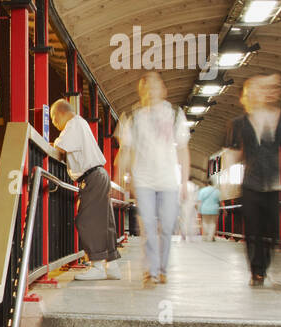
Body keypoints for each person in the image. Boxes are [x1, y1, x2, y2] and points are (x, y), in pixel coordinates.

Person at [115, 73, 191, 287]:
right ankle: (151, 271)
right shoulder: (133, 116)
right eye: (146, 88)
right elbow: (125, 150)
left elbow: (183, 148)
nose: (150, 91)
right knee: (148, 226)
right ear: (141, 92)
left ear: (163, 90)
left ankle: (162, 269)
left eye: (155, 87)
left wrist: (184, 181)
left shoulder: (175, 114)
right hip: (144, 180)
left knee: (166, 227)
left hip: (168, 181)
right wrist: (121, 178)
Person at [223, 74, 281, 286]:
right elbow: (232, 152)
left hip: (273, 184)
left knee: (272, 230)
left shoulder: (280, 118)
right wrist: (228, 180)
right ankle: (257, 271)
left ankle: (263, 264)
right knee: (253, 229)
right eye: (250, 92)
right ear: (244, 98)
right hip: (251, 184)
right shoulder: (238, 123)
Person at [50, 99, 121, 280]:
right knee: (104, 221)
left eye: (53, 118)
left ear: (60, 114)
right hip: (99, 174)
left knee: (86, 220)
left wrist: (54, 144)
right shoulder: (81, 124)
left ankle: (96, 265)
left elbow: (60, 145)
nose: (53, 123)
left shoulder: (74, 124)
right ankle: (112, 265)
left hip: (92, 177)